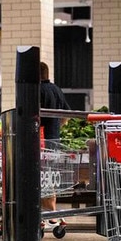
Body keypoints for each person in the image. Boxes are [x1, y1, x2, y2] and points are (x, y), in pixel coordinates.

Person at [39, 62, 70, 221]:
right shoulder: (57, 89)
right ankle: (51, 211)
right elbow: (66, 115)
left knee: (39, 177)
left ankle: (47, 213)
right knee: (48, 177)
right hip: (54, 141)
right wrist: (56, 128)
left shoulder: (35, 90)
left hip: (39, 142)